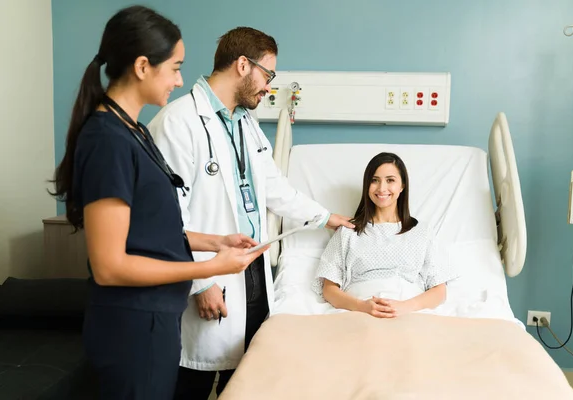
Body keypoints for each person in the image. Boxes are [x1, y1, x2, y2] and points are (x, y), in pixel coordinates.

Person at [50, 7, 267, 400]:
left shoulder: (134, 132)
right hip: (132, 328)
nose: (181, 80)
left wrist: (216, 242)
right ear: (142, 66)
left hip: (156, 321)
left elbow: (154, 230)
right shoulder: (108, 141)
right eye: (175, 67)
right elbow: (109, 266)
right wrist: (213, 268)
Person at [147, 26, 354, 398]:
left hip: (250, 270)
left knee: (244, 382)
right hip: (207, 274)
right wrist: (202, 283)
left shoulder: (246, 124)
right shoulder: (178, 123)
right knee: (189, 382)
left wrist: (327, 217)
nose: (269, 86)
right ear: (244, 64)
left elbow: (275, 189)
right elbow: (168, 217)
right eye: (268, 75)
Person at [312, 152, 459, 318]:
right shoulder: (348, 231)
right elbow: (329, 289)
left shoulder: (422, 232)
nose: (382, 188)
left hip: (409, 312)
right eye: (374, 180)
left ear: (402, 186)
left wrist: (405, 307)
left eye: (390, 180)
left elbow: (439, 290)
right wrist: (362, 307)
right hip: (359, 311)